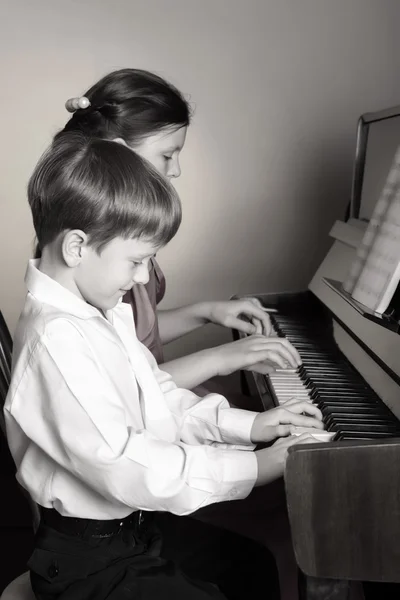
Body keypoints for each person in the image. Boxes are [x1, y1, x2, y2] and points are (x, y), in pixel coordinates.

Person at [5, 132, 323, 599]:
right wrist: (255, 469)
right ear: (76, 247)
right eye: (137, 260)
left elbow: (159, 397)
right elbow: (128, 465)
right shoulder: (56, 340)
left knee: (251, 565)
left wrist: (251, 426)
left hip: (131, 530)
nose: (140, 278)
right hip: (86, 563)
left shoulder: (100, 310)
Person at [52, 68, 301, 392]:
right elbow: (123, 390)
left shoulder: (126, 242)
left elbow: (141, 331)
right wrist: (222, 357)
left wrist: (206, 312)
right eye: (168, 155)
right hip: (138, 409)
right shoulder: (100, 252)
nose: (177, 169)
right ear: (120, 151)